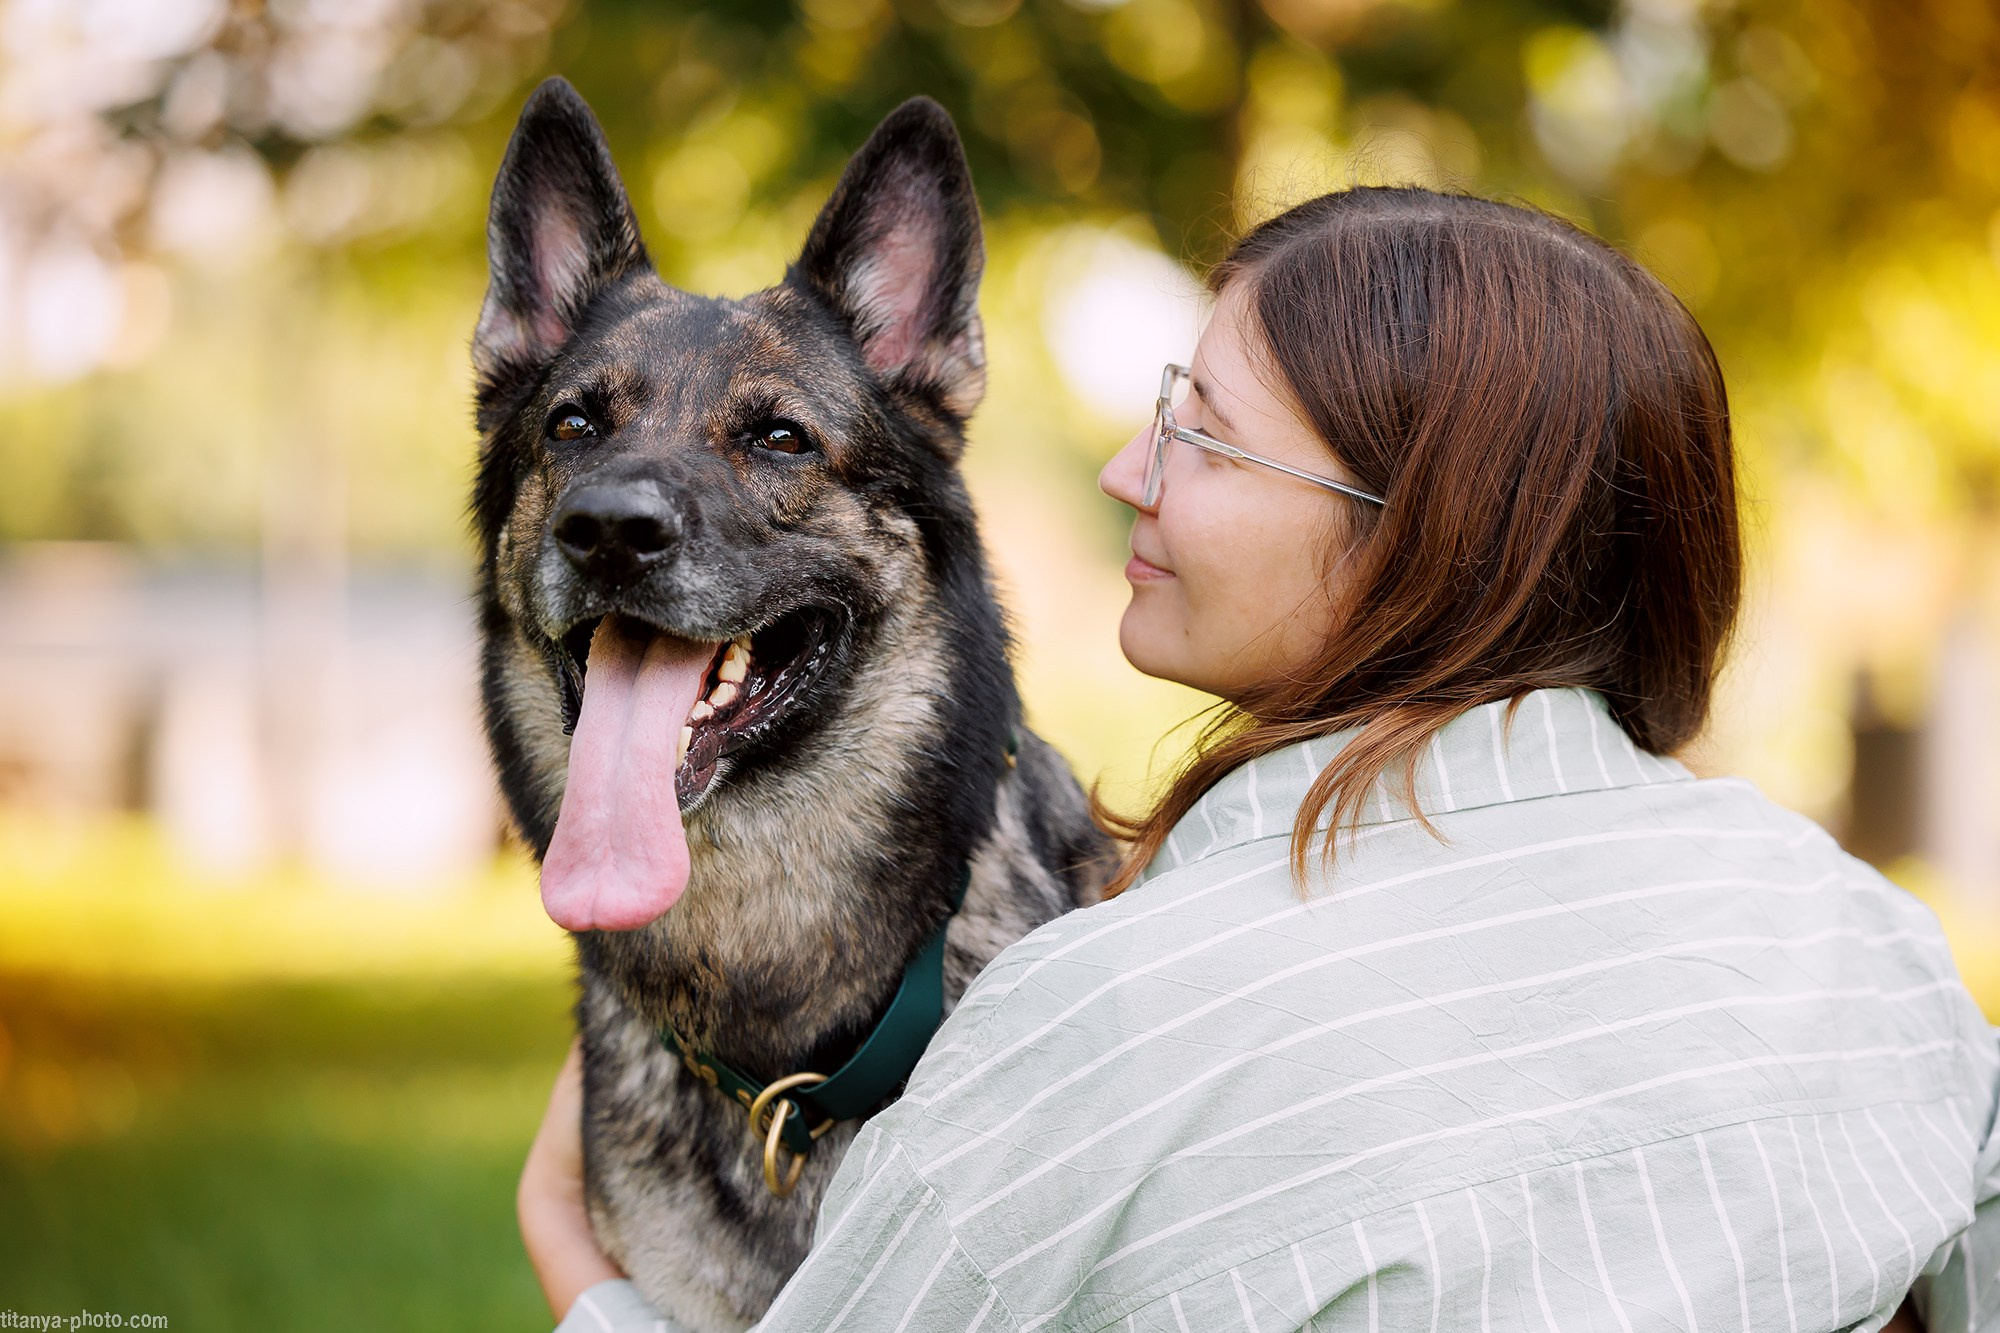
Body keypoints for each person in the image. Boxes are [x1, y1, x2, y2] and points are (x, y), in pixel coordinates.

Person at [518, 186, 1999, 1332]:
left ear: (1427, 537)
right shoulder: (1870, 938)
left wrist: (577, 1264)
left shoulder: (1099, 1030)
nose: (1128, 470)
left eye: (1205, 436)